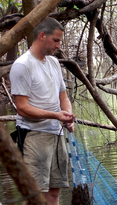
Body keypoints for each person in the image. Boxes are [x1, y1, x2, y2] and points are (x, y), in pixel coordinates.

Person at [9, 17, 76, 204]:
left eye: (60, 41)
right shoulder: (23, 65)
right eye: (56, 40)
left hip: (57, 134)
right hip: (34, 137)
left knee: (54, 194)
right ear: (41, 36)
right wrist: (55, 115)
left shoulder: (54, 63)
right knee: (35, 196)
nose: (58, 45)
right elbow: (22, 108)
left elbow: (63, 97)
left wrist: (68, 116)